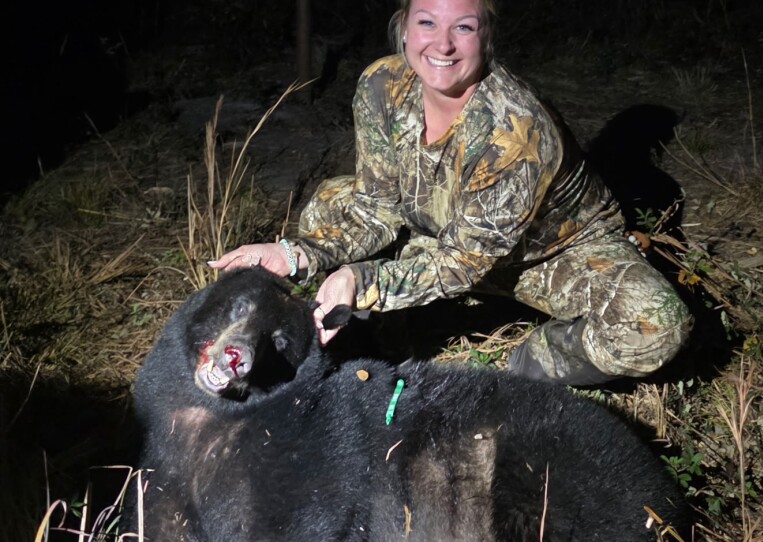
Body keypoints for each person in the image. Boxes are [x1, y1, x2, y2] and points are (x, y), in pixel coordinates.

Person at [209, 0, 692, 386]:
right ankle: (378, 337)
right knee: (330, 204)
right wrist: (292, 255)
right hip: (446, 231)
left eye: (463, 27)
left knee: (655, 324)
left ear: (488, 37)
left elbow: (465, 262)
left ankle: (527, 368)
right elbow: (374, 207)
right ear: (403, 28)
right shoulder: (381, 84)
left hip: (550, 256)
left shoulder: (515, 129)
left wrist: (364, 278)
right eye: (426, 22)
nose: (442, 44)